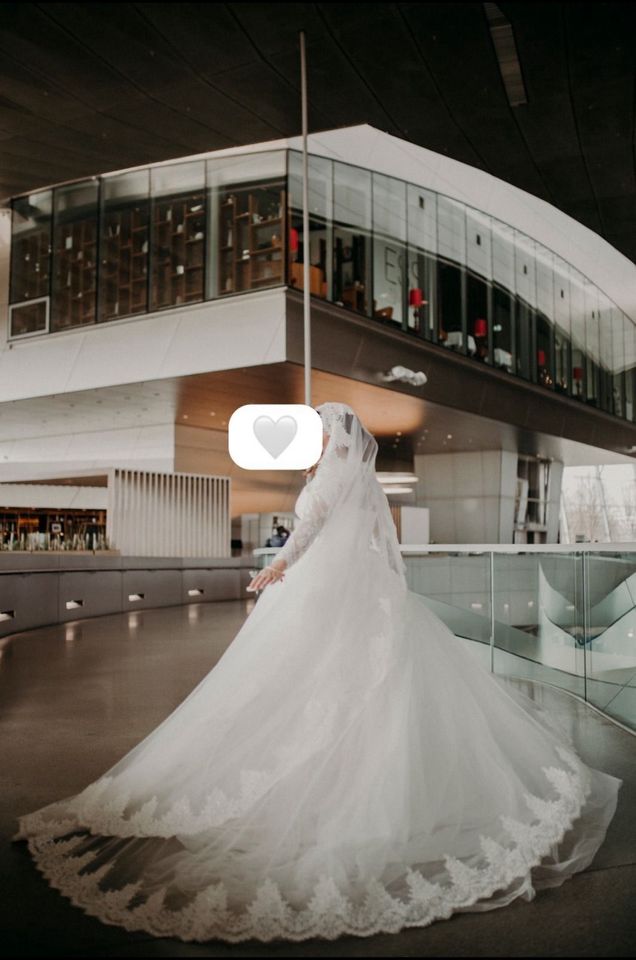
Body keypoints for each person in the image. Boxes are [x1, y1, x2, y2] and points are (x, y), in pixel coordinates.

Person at [11, 402, 622, 944]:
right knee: (343, 689)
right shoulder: (355, 477)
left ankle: (334, 791)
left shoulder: (333, 473)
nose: (320, 436)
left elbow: (307, 530)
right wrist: (387, 593)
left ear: (334, 435)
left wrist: (279, 569)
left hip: (328, 594)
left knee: (318, 686)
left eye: (323, 428)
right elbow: (380, 546)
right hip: (354, 593)